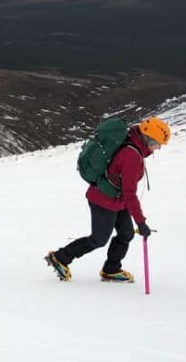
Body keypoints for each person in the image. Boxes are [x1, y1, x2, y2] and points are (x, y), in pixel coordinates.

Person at [46, 117, 171, 282]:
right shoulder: (131, 156)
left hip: (118, 199)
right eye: (157, 143)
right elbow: (130, 194)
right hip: (103, 199)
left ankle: (111, 269)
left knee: (126, 233)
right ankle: (60, 258)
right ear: (148, 138)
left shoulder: (133, 144)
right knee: (99, 239)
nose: (159, 148)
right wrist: (140, 222)